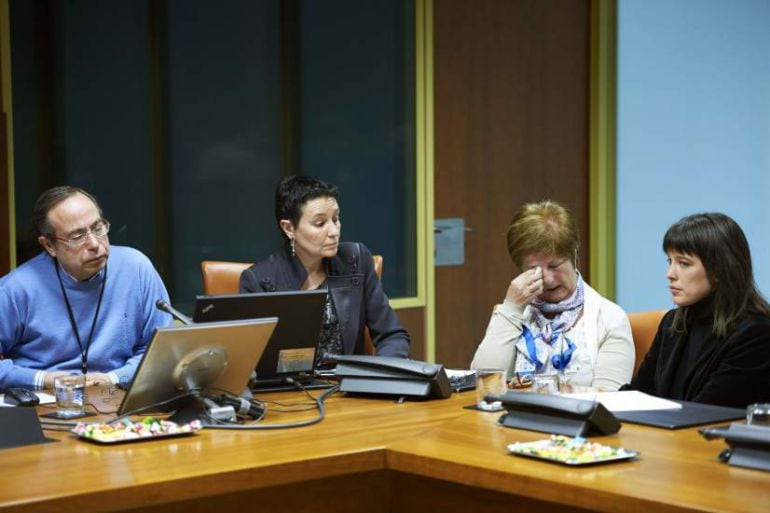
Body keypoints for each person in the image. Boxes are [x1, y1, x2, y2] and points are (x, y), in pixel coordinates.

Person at [0, 186, 172, 391]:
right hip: (45, 402)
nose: (94, 244)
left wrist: (114, 378)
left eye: (98, 228)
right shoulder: (15, 289)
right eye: (77, 236)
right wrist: (43, 379)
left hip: (118, 396)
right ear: (49, 246)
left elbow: (162, 352)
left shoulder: (136, 268)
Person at [240, 175, 410, 362]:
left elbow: (393, 336)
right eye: (320, 223)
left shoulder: (357, 259)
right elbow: (253, 361)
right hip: (290, 388)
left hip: (351, 386)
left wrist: (380, 377)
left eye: (336, 219)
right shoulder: (259, 281)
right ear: (289, 228)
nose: (334, 231)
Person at [471, 200, 634, 391]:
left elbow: (610, 400)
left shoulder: (609, 318)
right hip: (512, 419)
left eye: (555, 265)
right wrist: (511, 308)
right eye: (534, 269)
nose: (547, 279)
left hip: (578, 420)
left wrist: (538, 390)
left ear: (573, 255)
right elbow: (483, 385)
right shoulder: (513, 313)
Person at [628, 213, 770, 408]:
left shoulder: (757, 333)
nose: (670, 274)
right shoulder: (672, 322)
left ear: (720, 269)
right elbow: (640, 393)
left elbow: (708, 413)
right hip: (667, 434)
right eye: (670, 261)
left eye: (684, 263)